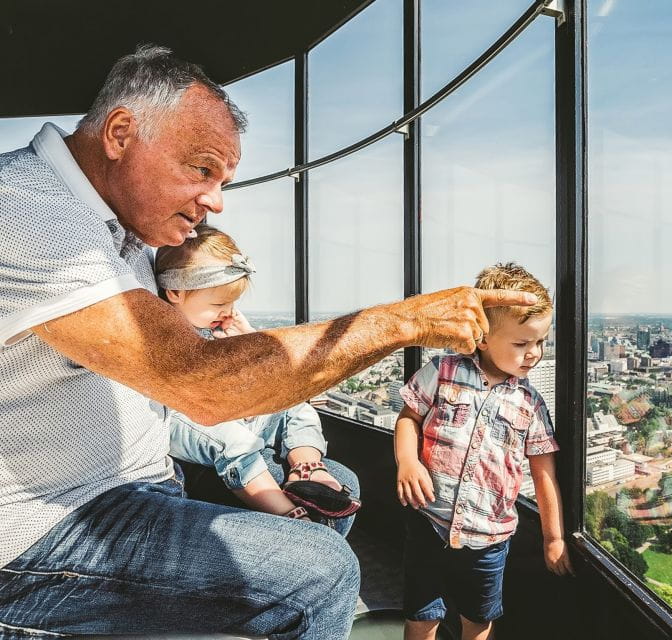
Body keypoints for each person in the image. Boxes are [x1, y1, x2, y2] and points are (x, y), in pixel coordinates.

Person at [0, 45, 535, 639]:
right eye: (201, 168)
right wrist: (405, 322)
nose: (216, 201)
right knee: (321, 572)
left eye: (223, 179)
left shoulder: (106, 225)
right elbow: (201, 382)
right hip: (44, 531)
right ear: (121, 134)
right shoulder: (29, 215)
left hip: (130, 487)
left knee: (339, 491)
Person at [395, 263, 574, 640]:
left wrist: (553, 538)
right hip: (429, 522)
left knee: (477, 622)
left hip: (488, 540)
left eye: (541, 342)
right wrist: (408, 461)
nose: (534, 354)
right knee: (421, 615)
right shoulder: (442, 370)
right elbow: (408, 417)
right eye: (522, 343)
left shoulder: (531, 404)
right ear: (482, 337)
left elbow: (545, 475)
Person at [156, 223, 361, 530]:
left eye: (232, 303)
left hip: (225, 412)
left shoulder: (215, 328)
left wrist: (246, 340)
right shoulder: (164, 333)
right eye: (218, 304)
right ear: (175, 292)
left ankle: (306, 466)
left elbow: (260, 380)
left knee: (295, 406)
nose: (227, 311)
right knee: (232, 440)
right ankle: (285, 514)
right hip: (184, 419)